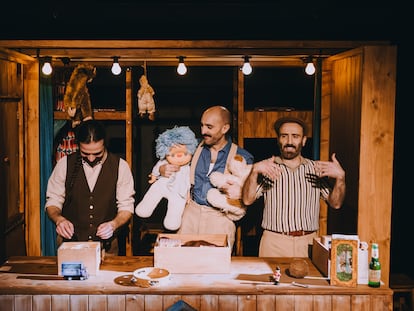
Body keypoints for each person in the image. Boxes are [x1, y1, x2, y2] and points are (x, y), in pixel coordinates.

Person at [242, 116, 346, 257]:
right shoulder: (267, 167)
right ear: (278, 139)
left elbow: (336, 203)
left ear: (303, 141)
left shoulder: (315, 169)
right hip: (274, 243)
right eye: (284, 136)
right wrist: (254, 171)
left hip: (308, 243)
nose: (289, 142)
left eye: (295, 136)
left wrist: (341, 178)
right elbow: (247, 200)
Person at [159, 106, 254, 250]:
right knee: (182, 263)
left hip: (220, 218)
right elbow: (170, 158)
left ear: (225, 128)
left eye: (209, 127)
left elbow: (251, 194)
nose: (203, 131)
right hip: (190, 214)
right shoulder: (193, 147)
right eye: (202, 125)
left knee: (215, 267)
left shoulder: (243, 156)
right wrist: (162, 168)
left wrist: (239, 194)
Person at [45, 119, 135, 255]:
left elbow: (126, 207)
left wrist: (114, 224)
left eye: (97, 153)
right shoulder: (65, 164)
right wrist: (59, 219)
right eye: (85, 153)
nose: (91, 158)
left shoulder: (120, 166)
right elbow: (53, 201)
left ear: (105, 144)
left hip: (107, 249)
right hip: (70, 247)